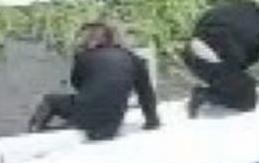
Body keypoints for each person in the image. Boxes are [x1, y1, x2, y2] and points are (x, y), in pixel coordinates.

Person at [28, 21, 161, 140]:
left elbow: (77, 84)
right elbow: (146, 95)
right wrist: (152, 122)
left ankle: (34, 133)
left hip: (84, 115)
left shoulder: (84, 56)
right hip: (112, 123)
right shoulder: (134, 59)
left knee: (50, 101)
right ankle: (78, 124)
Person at [180, 0, 259, 117]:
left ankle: (217, 88)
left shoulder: (222, 8)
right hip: (216, 60)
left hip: (191, 53)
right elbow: (257, 53)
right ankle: (204, 95)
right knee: (248, 99)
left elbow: (198, 29)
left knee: (229, 77)